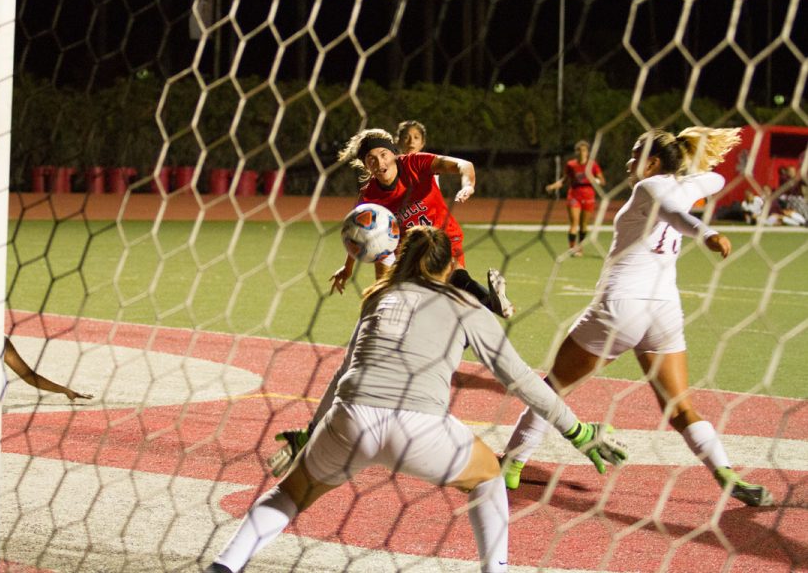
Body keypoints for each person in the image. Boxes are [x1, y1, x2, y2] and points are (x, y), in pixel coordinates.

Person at [205, 227, 627, 573]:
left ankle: (224, 566)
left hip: (349, 419)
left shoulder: (378, 298)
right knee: (489, 477)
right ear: (451, 267)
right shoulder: (465, 305)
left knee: (290, 494)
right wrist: (578, 430)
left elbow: (341, 372)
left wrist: (311, 433)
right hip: (420, 429)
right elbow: (519, 380)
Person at [501, 126, 773, 507]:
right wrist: (690, 170)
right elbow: (715, 178)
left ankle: (511, 464)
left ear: (654, 163)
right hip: (663, 311)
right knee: (679, 407)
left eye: (634, 155)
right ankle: (723, 469)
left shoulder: (649, 188)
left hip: (621, 306)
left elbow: (677, 216)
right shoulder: (683, 186)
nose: (629, 163)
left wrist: (707, 233)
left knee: (553, 388)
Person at [329, 128, 514, 319]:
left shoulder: (414, 163)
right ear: (366, 166)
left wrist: (468, 185)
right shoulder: (369, 196)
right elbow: (358, 232)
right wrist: (348, 267)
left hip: (444, 236)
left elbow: (463, 165)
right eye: (371, 159)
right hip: (410, 253)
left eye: (383, 154)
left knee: (451, 279)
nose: (379, 162)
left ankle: (489, 304)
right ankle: (492, 303)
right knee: (451, 301)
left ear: (394, 153)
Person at [546, 140, 606, 257]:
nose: (581, 152)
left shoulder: (592, 165)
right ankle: (572, 248)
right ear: (575, 152)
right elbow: (564, 180)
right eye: (579, 150)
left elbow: (602, 181)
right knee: (574, 223)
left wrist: (595, 180)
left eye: (584, 150)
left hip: (588, 196)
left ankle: (580, 247)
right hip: (574, 195)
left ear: (587, 152)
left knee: (583, 225)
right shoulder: (571, 165)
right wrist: (553, 186)